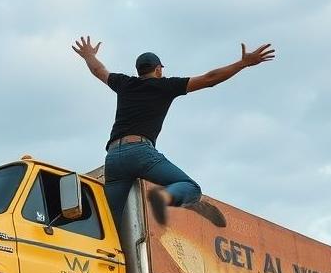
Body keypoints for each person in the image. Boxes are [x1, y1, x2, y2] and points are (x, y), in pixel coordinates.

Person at [72, 36, 275, 227]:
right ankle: (164, 196)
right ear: (159, 69)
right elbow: (210, 78)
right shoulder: (165, 86)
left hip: (113, 158)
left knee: (108, 224)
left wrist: (89, 55)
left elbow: (99, 70)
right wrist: (243, 63)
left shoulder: (125, 83)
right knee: (190, 187)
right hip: (140, 153)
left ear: (139, 71)